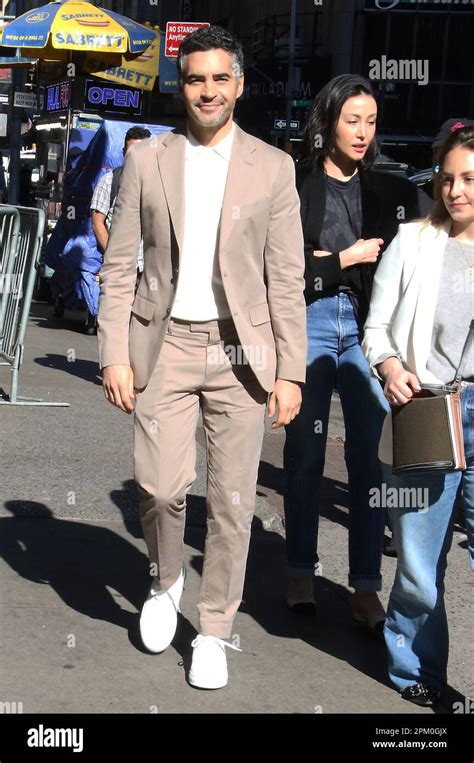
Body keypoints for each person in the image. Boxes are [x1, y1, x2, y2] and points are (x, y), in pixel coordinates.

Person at [98, 26, 306, 689]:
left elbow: (286, 279)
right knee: (158, 487)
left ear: (239, 85)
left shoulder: (273, 167)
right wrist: (112, 353)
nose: (208, 90)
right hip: (164, 342)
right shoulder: (148, 160)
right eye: (195, 79)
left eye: (220, 78)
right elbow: (120, 265)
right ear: (180, 85)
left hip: (243, 351)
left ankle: (214, 627)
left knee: (231, 499)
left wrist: (291, 370)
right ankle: (165, 581)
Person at [283, 74, 420, 632]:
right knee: (305, 455)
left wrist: (324, 258)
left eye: (370, 121)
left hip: (370, 330)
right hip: (310, 322)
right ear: (328, 120)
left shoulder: (390, 190)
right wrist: (346, 257)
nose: (362, 132)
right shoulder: (297, 183)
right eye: (351, 120)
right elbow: (289, 270)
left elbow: (403, 264)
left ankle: (366, 585)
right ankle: (299, 572)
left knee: (369, 461)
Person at [362, 124, 474, 706]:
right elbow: (375, 330)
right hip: (428, 408)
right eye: (447, 179)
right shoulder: (411, 241)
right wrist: (389, 369)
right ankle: (417, 674)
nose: (455, 191)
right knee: (419, 564)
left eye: (469, 180)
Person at [90, 126, 151, 335]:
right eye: (131, 152)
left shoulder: (157, 184)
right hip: (120, 267)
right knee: (115, 324)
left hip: (148, 268)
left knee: (143, 328)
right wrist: (113, 254)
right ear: (124, 153)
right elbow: (97, 221)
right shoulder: (110, 180)